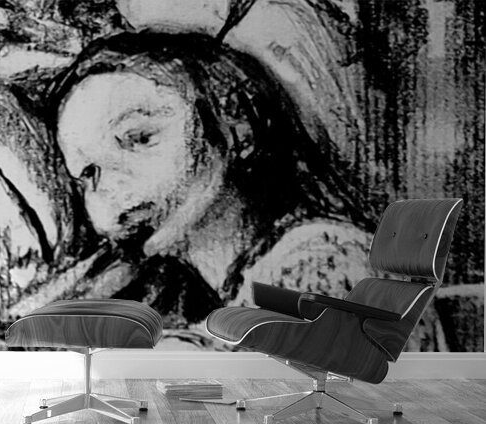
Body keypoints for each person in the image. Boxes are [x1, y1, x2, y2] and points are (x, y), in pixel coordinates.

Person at [43, 31, 374, 323]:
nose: (112, 187)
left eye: (140, 138)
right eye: (88, 173)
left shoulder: (324, 258)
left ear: (239, 125)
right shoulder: (201, 297)